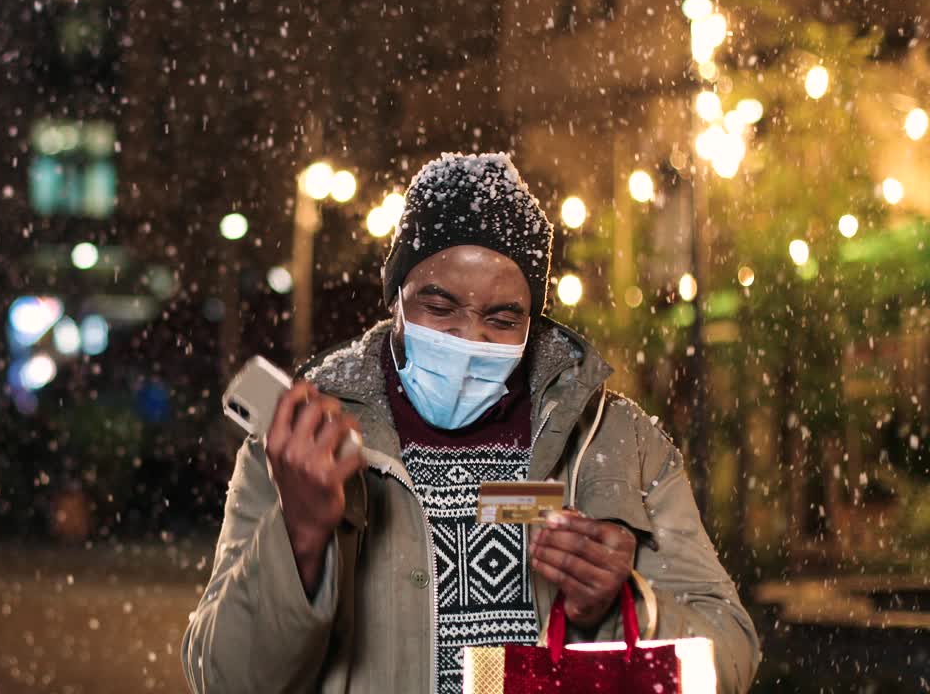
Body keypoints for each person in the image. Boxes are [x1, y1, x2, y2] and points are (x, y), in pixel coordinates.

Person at [182, 153, 760, 694]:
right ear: (396, 302)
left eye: (502, 318)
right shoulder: (303, 442)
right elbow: (223, 678)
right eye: (439, 306)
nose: (469, 338)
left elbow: (731, 656)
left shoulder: (617, 440)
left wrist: (627, 605)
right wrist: (300, 538)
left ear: (532, 321)